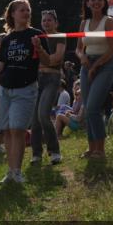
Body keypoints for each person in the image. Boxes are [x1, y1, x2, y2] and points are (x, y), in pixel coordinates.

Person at [0, 0, 43, 184]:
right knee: (6, 130)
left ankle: (17, 171)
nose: (26, 12)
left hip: (25, 89)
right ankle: (10, 171)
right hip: (5, 89)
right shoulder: (7, 39)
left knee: (18, 130)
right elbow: (1, 66)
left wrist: (39, 47)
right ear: (12, 14)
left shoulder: (36, 35)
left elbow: (47, 61)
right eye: (22, 10)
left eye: (28, 10)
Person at [76, 0, 113, 159]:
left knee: (93, 107)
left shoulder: (108, 21)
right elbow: (79, 48)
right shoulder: (83, 23)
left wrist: (96, 65)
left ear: (104, 3)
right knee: (88, 109)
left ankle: (100, 149)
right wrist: (82, 57)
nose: (96, 2)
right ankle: (91, 147)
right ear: (87, 3)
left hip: (105, 65)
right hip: (86, 66)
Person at [29, 9, 67, 165]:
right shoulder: (37, 37)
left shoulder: (60, 37)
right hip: (36, 79)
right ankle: (36, 154)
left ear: (56, 22)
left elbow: (57, 59)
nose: (46, 23)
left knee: (43, 115)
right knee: (34, 120)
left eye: (49, 20)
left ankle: (54, 151)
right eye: (43, 20)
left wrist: (45, 59)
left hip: (52, 78)